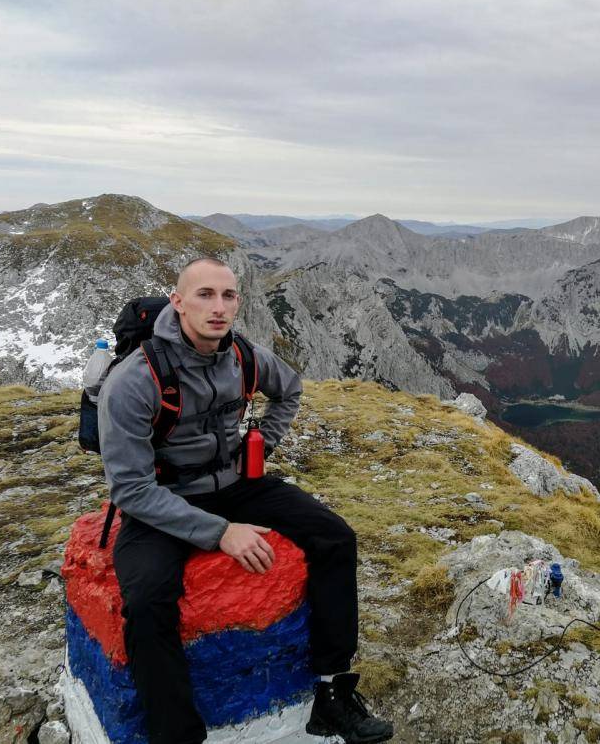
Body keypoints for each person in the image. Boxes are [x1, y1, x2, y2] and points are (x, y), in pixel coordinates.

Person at [98, 257, 394, 744]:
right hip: (163, 500)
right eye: (205, 295)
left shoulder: (244, 356)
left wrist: (262, 448)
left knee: (335, 537)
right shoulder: (134, 380)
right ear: (178, 302)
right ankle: (177, 735)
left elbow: (289, 390)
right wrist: (221, 533)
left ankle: (332, 691)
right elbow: (130, 489)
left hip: (235, 483)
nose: (218, 307)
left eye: (228, 295)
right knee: (148, 602)